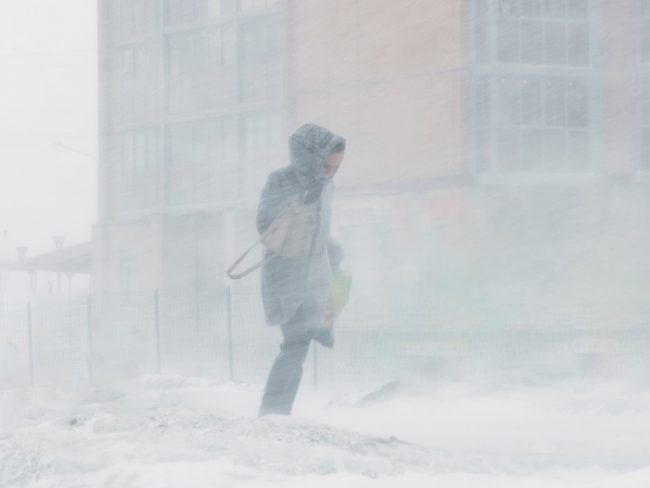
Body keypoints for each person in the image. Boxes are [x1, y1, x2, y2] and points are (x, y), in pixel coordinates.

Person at [257, 123, 345, 416]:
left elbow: (318, 230)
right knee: (294, 346)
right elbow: (267, 228)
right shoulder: (280, 181)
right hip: (286, 280)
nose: (331, 171)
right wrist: (299, 199)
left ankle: (323, 325)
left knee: (298, 346)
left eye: (336, 166)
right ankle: (273, 413)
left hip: (314, 277)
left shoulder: (325, 186)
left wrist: (331, 249)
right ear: (311, 157)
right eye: (327, 165)